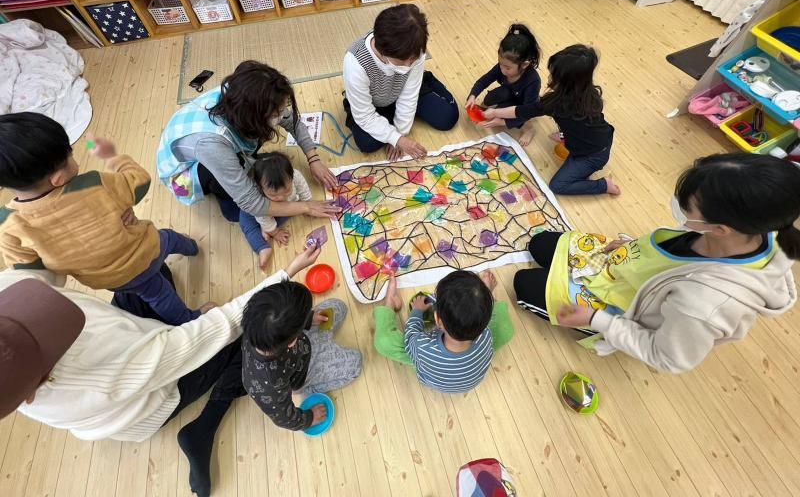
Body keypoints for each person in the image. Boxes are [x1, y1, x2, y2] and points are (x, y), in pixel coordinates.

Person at [0, 244, 322, 497]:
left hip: (132, 338)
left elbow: (38, 267)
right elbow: (214, 332)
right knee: (244, 347)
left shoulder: (9, 295)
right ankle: (204, 427)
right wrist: (287, 272)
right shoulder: (105, 380)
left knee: (147, 268)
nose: (41, 309)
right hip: (153, 396)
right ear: (33, 390)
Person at [513, 153, 800, 373]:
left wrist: (595, 320)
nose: (679, 205)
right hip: (624, 270)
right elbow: (673, 250)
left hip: (618, 310)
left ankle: (586, 320)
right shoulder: (758, 226)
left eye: (689, 206)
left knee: (524, 285)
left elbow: (666, 357)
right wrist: (632, 245)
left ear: (721, 228)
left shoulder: (704, 306)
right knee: (541, 243)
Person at [0, 113, 211, 325]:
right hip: (144, 251)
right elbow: (140, 181)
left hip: (109, 279)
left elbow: (31, 270)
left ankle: (187, 308)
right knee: (167, 245)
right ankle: (191, 313)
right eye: (70, 156)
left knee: (154, 294)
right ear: (58, 178)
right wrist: (112, 157)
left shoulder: (8, 225)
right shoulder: (94, 184)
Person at [157, 61, 339, 223]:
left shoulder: (244, 93)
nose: (282, 114)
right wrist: (306, 206)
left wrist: (313, 159)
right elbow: (251, 203)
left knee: (255, 156)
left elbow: (293, 122)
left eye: (283, 107)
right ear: (252, 115)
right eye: (276, 113)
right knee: (239, 210)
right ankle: (227, 203)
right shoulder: (212, 144)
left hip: (208, 144)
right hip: (186, 174)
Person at [484, 44, 620, 196]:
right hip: (599, 138)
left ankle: (604, 186)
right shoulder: (588, 92)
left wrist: (495, 112)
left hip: (592, 155)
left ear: (567, 83)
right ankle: (565, 137)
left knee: (558, 186)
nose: (548, 78)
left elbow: (521, 111)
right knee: (574, 124)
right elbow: (583, 125)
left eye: (552, 75)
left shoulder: (557, 104)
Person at [342, 3, 459, 161]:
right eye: (404, 61)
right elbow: (364, 116)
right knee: (367, 144)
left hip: (400, 91)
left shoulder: (415, 48)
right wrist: (396, 138)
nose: (411, 64)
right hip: (375, 102)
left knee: (447, 117)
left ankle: (428, 80)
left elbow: (409, 95)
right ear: (384, 52)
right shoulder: (355, 62)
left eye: (414, 59)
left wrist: (400, 134)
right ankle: (386, 121)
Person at [241, 281, 361, 431]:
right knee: (356, 364)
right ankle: (308, 388)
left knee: (339, 306)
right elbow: (284, 419)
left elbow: (282, 316)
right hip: (303, 371)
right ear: (292, 341)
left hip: (299, 345)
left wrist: (309, 319)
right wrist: (310, 418)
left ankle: (305, 329)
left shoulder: (257, 323)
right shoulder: (269, 384)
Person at [373, 270, 514, 393]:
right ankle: (486, 294)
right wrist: (484, 292)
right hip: (470, 376)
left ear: (438, 320)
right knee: (505, 330)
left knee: (384, 341)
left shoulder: (423, 347)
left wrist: (417, 312)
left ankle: (390, 302)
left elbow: (411, 335)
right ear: (487, 321)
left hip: (429, 368)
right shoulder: (486, 337)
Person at [466, 23, 542, 146]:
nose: (502, 70)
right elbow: (483, 80)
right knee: (491, 98)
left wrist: (501, 122)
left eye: (507, 68)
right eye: (500, 64)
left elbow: (527, 111)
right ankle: (496, 110)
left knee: (515, 116)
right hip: (509, 94)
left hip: (524, 106)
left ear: (525, 64)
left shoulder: (533, 81)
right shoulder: (502, 67)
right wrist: (472, 95)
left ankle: (529, 128)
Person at [238, 152, 313, 271]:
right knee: (247, 225)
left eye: (287, 190)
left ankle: (266, 229)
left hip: (279, 212)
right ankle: (262, 248)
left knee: (288, 213)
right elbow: (262, 216)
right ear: (260, 187)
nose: (281, 197)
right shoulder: (258, 195)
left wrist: (308, 203)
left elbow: (303, 189)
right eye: (274, 195)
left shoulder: (296, 176)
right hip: (254, 213)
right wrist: (275, 232)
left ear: (292, 176)